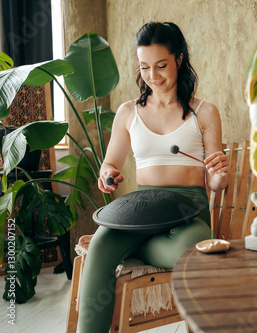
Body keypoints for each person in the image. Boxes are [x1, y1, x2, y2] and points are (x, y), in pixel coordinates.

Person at [77, 21, 229, 332]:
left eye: (161, 65)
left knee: (194, 246)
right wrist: (108, 176)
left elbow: (217, 184)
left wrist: (217, 174)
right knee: (103, 246)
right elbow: (109, 165)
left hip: (189, 211)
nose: (153, 76)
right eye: (145, 67)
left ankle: (130, 244)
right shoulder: (128, 112)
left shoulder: (204, 112)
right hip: (140, 209)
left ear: (179, 59)